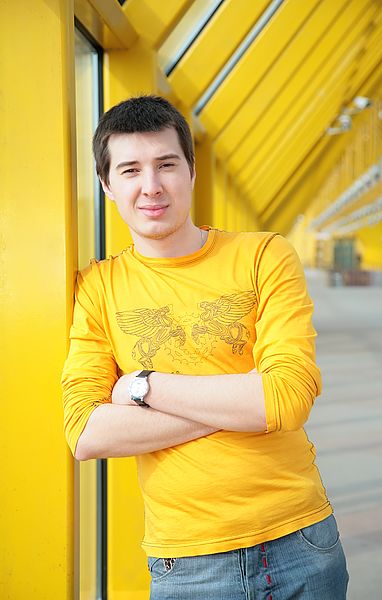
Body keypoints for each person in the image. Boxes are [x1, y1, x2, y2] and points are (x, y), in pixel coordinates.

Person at [62, 95, 349, 599]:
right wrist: (246, 403)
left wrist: (144, 387)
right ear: (107, 185)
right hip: (188, 562)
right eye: (130, 170)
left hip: (301, 539)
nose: (151, 187)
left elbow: (287, 398)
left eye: (166, 165)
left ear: (191, 171)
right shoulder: (98, 288)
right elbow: (86, 433)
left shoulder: (264, 255)